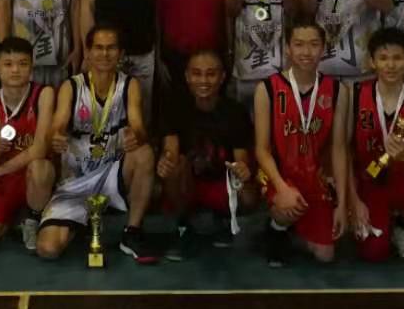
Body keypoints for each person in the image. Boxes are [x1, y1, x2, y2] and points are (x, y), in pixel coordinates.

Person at [36, 24, 159, 264]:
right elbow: (57, 124)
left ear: (121, 53)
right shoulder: (72, 86)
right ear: (88, 52)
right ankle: (81, 224)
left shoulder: (129, 85)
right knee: (48, 249)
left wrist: (137, 135)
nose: (104, 54)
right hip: (76, 179)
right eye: (99, 48)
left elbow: (138, 125)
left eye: (111, 48)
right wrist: (56, 136)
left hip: (112, 173)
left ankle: (132, 232)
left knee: (143, 153)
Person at [254, 18, 352, 267]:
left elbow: (339, 149)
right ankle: (276, 228)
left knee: (325, 255)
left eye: (313, 44)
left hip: (315, 177)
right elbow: (261, 150)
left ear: (323, 48)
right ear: (287, 48)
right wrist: (282, 188)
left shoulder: (338, 91)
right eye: (298, 44)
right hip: (279, 175)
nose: (306, 52)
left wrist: (342, 203)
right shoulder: (267, 88)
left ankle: (294, 231)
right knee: (286, 206)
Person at [158, 49, 258, 259]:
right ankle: (184, 226)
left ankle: (223, 219)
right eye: (197, 73)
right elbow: (171, 151)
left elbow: (241, 159)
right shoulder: (175, 108)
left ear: (222, 77)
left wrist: (242, 170)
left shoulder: (236, 112)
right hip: (188, 184)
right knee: (175, 165)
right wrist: (165, 162)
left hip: (221, 184)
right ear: (187, 76)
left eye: (211, 74)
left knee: (248, 195)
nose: (203, 80)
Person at [350, 28, 404, 263]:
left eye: (397, 58)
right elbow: (344, 153)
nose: (390, 65)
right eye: (383, 58)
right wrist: (353, 199)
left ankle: (401, 225)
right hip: (368, 181)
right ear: (372, 62)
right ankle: (376, 219)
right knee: (373, 254)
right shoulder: (354, 96)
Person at [0, 36, 57, 253]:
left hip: (32, 175)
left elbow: (40, 148)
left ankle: (33, 217)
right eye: (8, 64)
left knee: (40, 167)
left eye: (22, 63)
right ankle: (14, 218)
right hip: (3, 180)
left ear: (31, 66)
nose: (15, 70)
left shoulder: (43, 94)